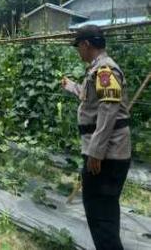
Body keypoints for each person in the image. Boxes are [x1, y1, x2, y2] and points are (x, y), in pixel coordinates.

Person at [62, 25, 131, 250]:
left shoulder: (105, 69)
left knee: (101, 219)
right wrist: (72, 87)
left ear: (86, 44)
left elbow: (108, 110)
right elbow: (92, 99)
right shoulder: (98, 70)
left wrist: (95, 152)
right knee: (106, 217)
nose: (78, 52)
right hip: (108, 155)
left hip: (106, 156)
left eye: (78, 47)